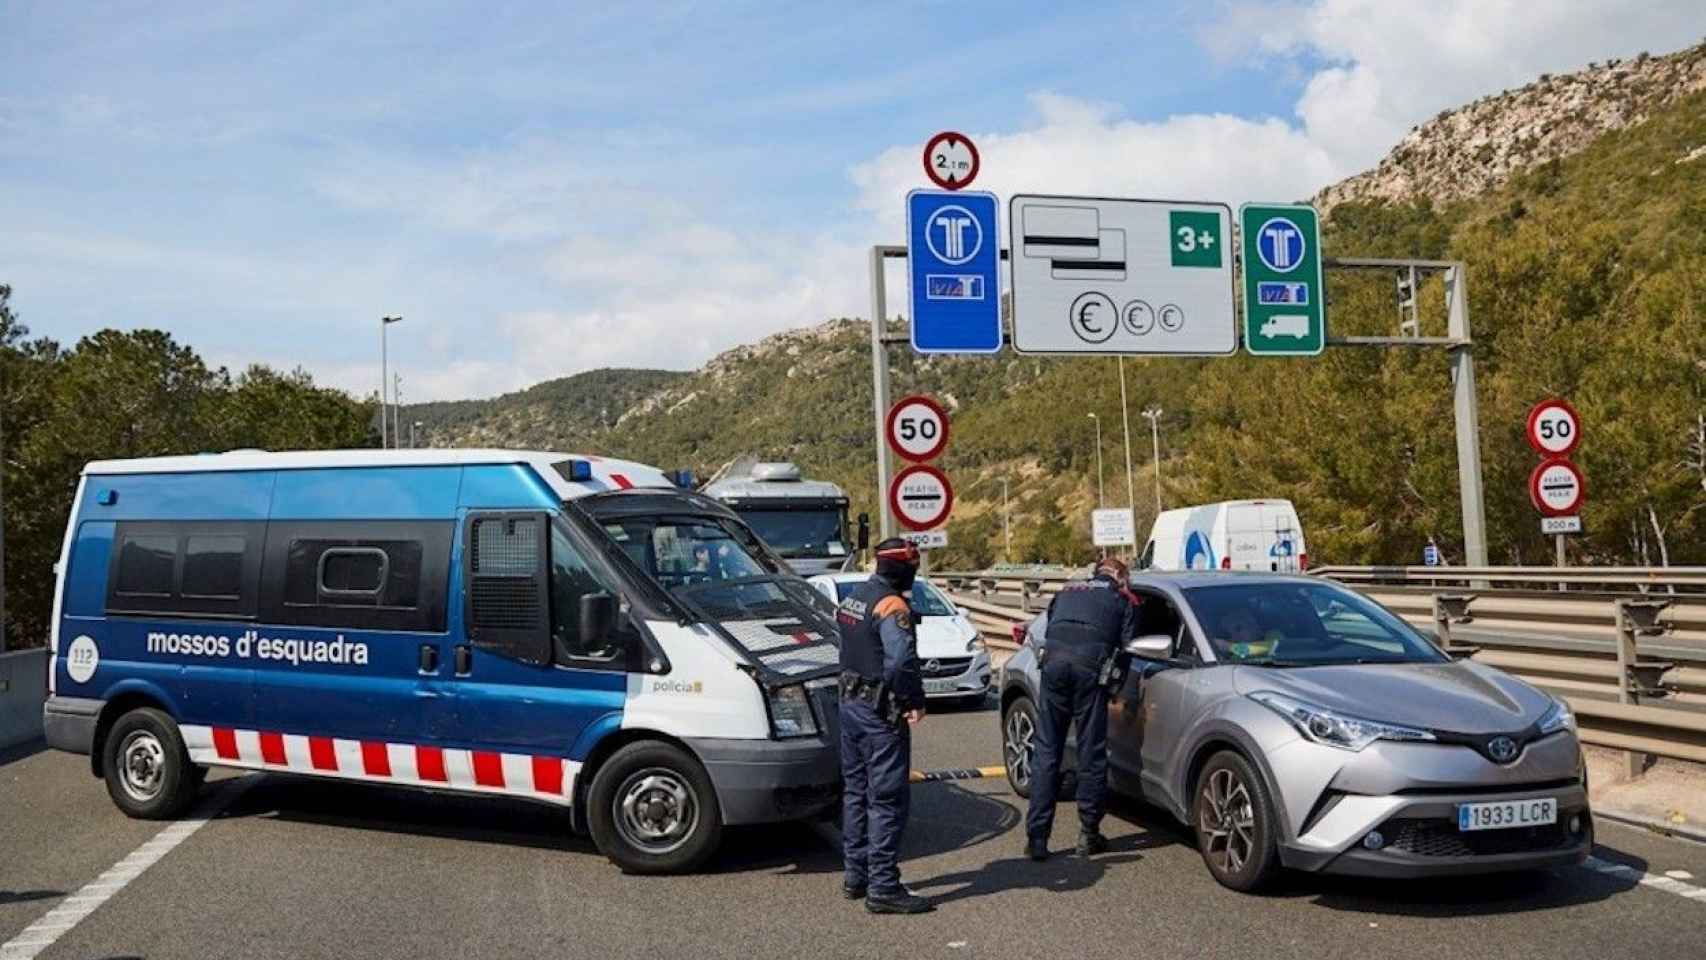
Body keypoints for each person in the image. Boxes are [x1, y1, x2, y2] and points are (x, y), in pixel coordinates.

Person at [836, 538, 932, 914]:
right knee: (887, 799)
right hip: (879, 715)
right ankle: (883, 888)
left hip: (849, 706)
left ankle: (855, 876)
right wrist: (913, 700)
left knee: (856, 793)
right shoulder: (892, 606)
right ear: (903, 568)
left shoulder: (855, 597)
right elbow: (899, 663)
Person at [1024, 555, 1141, 861]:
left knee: (1047, 751)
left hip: (1052, 667)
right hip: (1089, 672)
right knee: (1091, 752)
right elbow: (1127, 650)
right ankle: (1088, 833)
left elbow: (1053, 628)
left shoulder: (1066, 592)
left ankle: (1037, 839)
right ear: (1119, 576)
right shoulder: (1122, 600)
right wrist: (1115, 687)